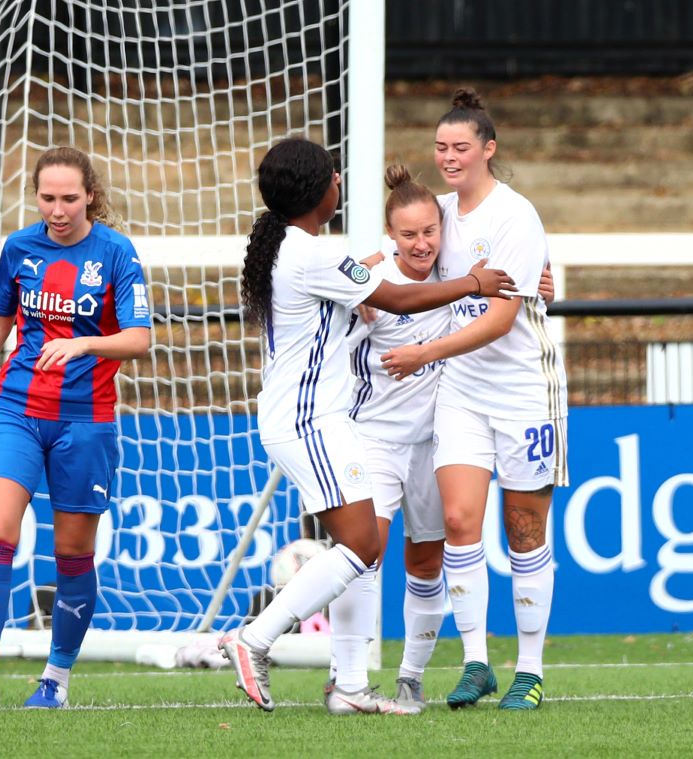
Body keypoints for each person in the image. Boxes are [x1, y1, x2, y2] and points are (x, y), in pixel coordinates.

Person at [219, 136, 514, 713]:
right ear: (317, 191)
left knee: (361, 548)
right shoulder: (311, 255)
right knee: (361, 545)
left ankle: (350, 688)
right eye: (333, 177)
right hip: (311, 420)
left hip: (311, 418)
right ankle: (253, 639)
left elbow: (373, 289)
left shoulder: (298, 248)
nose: (339, 184)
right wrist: (475, 283)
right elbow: (400, 301)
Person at [327, 164, 556, 715]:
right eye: (408, 235)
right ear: (391, 236)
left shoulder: (456, 273)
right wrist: (356, 286)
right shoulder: (372, 283)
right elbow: (328, 331)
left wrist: (542, 284)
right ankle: (347, 676)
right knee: (361, 552)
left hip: (437, 439)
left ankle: (411, 677)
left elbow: (506, 289)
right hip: (375, 440)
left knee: (428, 562)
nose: (422, 243)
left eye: (430, 232)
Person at [0, 146, 153, 710]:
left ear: (90, 196)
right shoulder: (19, 248)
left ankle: (55, 680)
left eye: (68, 198)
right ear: (35, 196)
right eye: (47, 198)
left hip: (86, 422)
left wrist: (85, 342)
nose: (57, 210)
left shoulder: (115, 253)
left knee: (71, 552)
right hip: (14, 408)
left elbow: (139, 338)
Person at [380, 88, 567, 711]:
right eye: (441, 147)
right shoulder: (436, 213)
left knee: (523, 532)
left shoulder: (515, 216)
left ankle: (531, 670)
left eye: (462, 147)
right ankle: (477, 663)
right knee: (459, 524)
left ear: (489, 149)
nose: (450, 157)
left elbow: (499, 318)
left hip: (522, 391)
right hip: (461, 390)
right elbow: (400, 258)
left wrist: (423, 353)